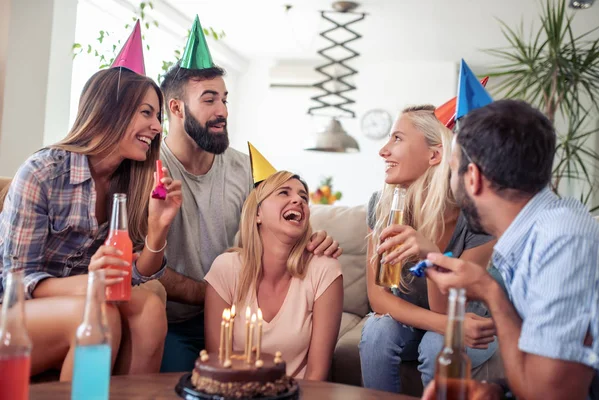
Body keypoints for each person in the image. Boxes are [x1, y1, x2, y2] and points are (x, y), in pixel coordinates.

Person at [157, 20, 341, 373]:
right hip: (175, 321)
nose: (223, 111)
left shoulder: (245, 170)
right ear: (177, 109)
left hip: (241, 318)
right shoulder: (152, 171)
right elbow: (140, 263)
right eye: (209, 99)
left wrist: (314, 240)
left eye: (224, 99)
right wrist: (213, 290)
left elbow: (281, 216)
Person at [0, 67, 182, 380]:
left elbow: (133, 277)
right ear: (111, 112)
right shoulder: (43, 172)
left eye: (158, 117)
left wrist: (158, 226)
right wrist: (93, 285)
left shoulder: (132, 184)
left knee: (150, 311)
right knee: (100, 314)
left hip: (84, 295)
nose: (156, 127)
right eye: (146, 113)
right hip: (13, 310)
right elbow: (15, 280)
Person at [422, 99, 599, 400]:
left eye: (451, 170)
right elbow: (543, 363)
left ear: (473, 177)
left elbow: (552, 395)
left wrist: (490, 292)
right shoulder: (534, 236)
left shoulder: (562, 239)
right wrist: (496, 389)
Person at [359, 105, 501, 393]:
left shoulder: (477, 220)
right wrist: (442, 324)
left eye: (397, 138)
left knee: (437, 344)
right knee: (377, 331)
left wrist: (431, 257)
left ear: (435, 155)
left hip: (470, 323)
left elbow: (449, 310)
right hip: (429, 321)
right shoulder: (383, 206)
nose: (383, 151)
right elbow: (379, 298)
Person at [204, 170, 344, 379]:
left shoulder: (324, 269)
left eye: (303, 197)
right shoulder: (226, 268)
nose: (298, 200)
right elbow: (217, 365)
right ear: (257, 213)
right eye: (284, 193)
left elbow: (317, 375)